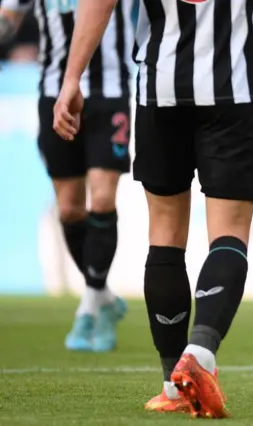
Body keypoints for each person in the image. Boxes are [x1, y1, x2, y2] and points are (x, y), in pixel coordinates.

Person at [52, 0, 253, 419]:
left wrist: (72, 77)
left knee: (165, 233)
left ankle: (173, 382)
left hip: (161, 88)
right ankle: (201, 350)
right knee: (229, 232)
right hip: (235, 87)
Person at [0, 0, 134, 352]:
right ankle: (103, 296)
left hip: (110, 93)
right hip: (53, 94)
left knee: (103, 198)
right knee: (70, 209)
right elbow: (9, 16)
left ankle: (90, 305)